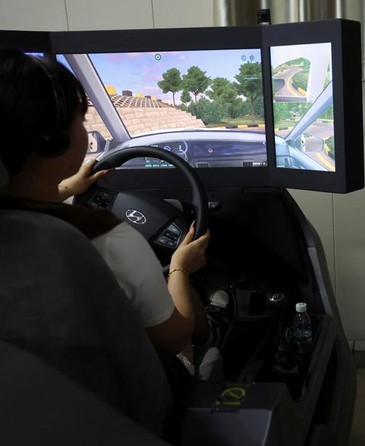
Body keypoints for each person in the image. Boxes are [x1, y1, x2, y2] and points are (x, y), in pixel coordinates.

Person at [0, 49, 210, 376]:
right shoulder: (106, 239)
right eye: (81, 121)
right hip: (130, 392)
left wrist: (65, 188)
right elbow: (175, 337)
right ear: (55, 141)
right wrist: (180, 267)